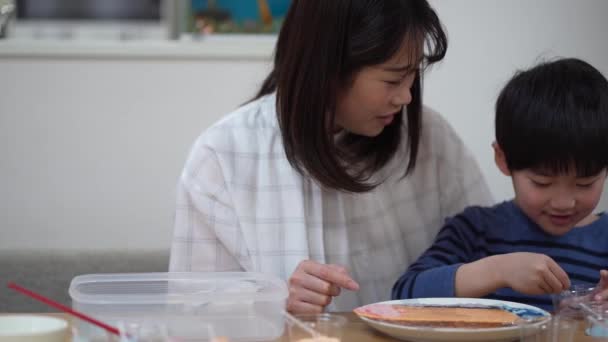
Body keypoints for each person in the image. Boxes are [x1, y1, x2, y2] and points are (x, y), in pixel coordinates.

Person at [169, 0, 493, 313]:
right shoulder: (224, 156)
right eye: (393, 79)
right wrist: (271, 300)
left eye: (413, 76)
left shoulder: (431, 137)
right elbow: (191, 312)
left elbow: (490, 250)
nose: (406, 96)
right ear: (327, 69)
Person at [392, 58, 608, 311]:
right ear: (503, 159)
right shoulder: (475, 230)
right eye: (542, 182)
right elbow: (403, 296)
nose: (564, 203)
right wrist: (497, 270)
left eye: (584, 184)